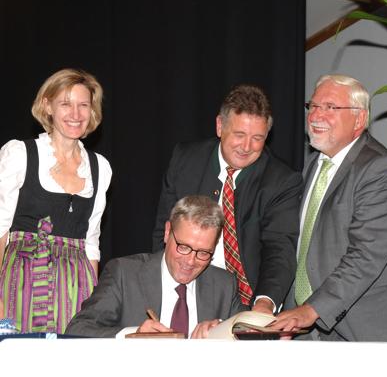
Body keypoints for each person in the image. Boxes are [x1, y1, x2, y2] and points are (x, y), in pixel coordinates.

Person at [271, 74, 387, 342]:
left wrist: (311, 310)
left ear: (360, 119)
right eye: (313, 106)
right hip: (319, 326)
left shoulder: (379, 170)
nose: (316, 115)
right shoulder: (316, 164)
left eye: (330, 107)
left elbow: (367, 255)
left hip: (374, 327)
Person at [152, 84, 302, 314]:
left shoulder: (282, 181)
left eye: (257, 138)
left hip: (249, 300)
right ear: (220, 126)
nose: (246, 147)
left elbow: (279, 249)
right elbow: (164, 231)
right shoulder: (185, 160)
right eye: (239, 135)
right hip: (190, 290)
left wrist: (264, 302)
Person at [0, 68, 111, 334]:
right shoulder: (20, 155)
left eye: (83, 105)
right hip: (22, 284)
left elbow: (91, 244)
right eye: (66, 104)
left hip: (76, 289)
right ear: (47, 106)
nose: (76, 114)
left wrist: (92, 307)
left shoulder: (100, 167)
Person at [66, 195, 245, 338]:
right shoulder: (124, 274)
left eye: (204, 253)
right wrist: (134, 336)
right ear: (167, 233)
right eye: (183, 247)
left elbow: (248, 335)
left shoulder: (225, 285)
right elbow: (78, 329)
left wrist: (221, 331)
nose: (190, 261)